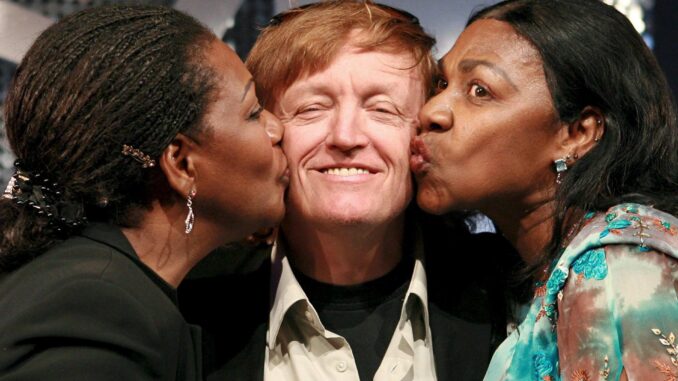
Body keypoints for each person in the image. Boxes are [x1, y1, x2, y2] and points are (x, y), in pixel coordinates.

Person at [179, 1, 515, 380]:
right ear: (269, 132)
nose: (346, 136)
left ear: (422, 133)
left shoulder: (510, 295)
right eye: (312, 108)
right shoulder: (187, 307)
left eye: (383, 110)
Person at [0, 5, 287, 380]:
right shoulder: (98, 310)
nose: (276, 128)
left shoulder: (86, 281)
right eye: (253, 112)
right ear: (181, 164)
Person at [411, 0, 678, 379]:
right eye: (441, 84)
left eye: (479, 91)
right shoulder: (526, 275)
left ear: (577, 133)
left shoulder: (618, 266)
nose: (432, 111)